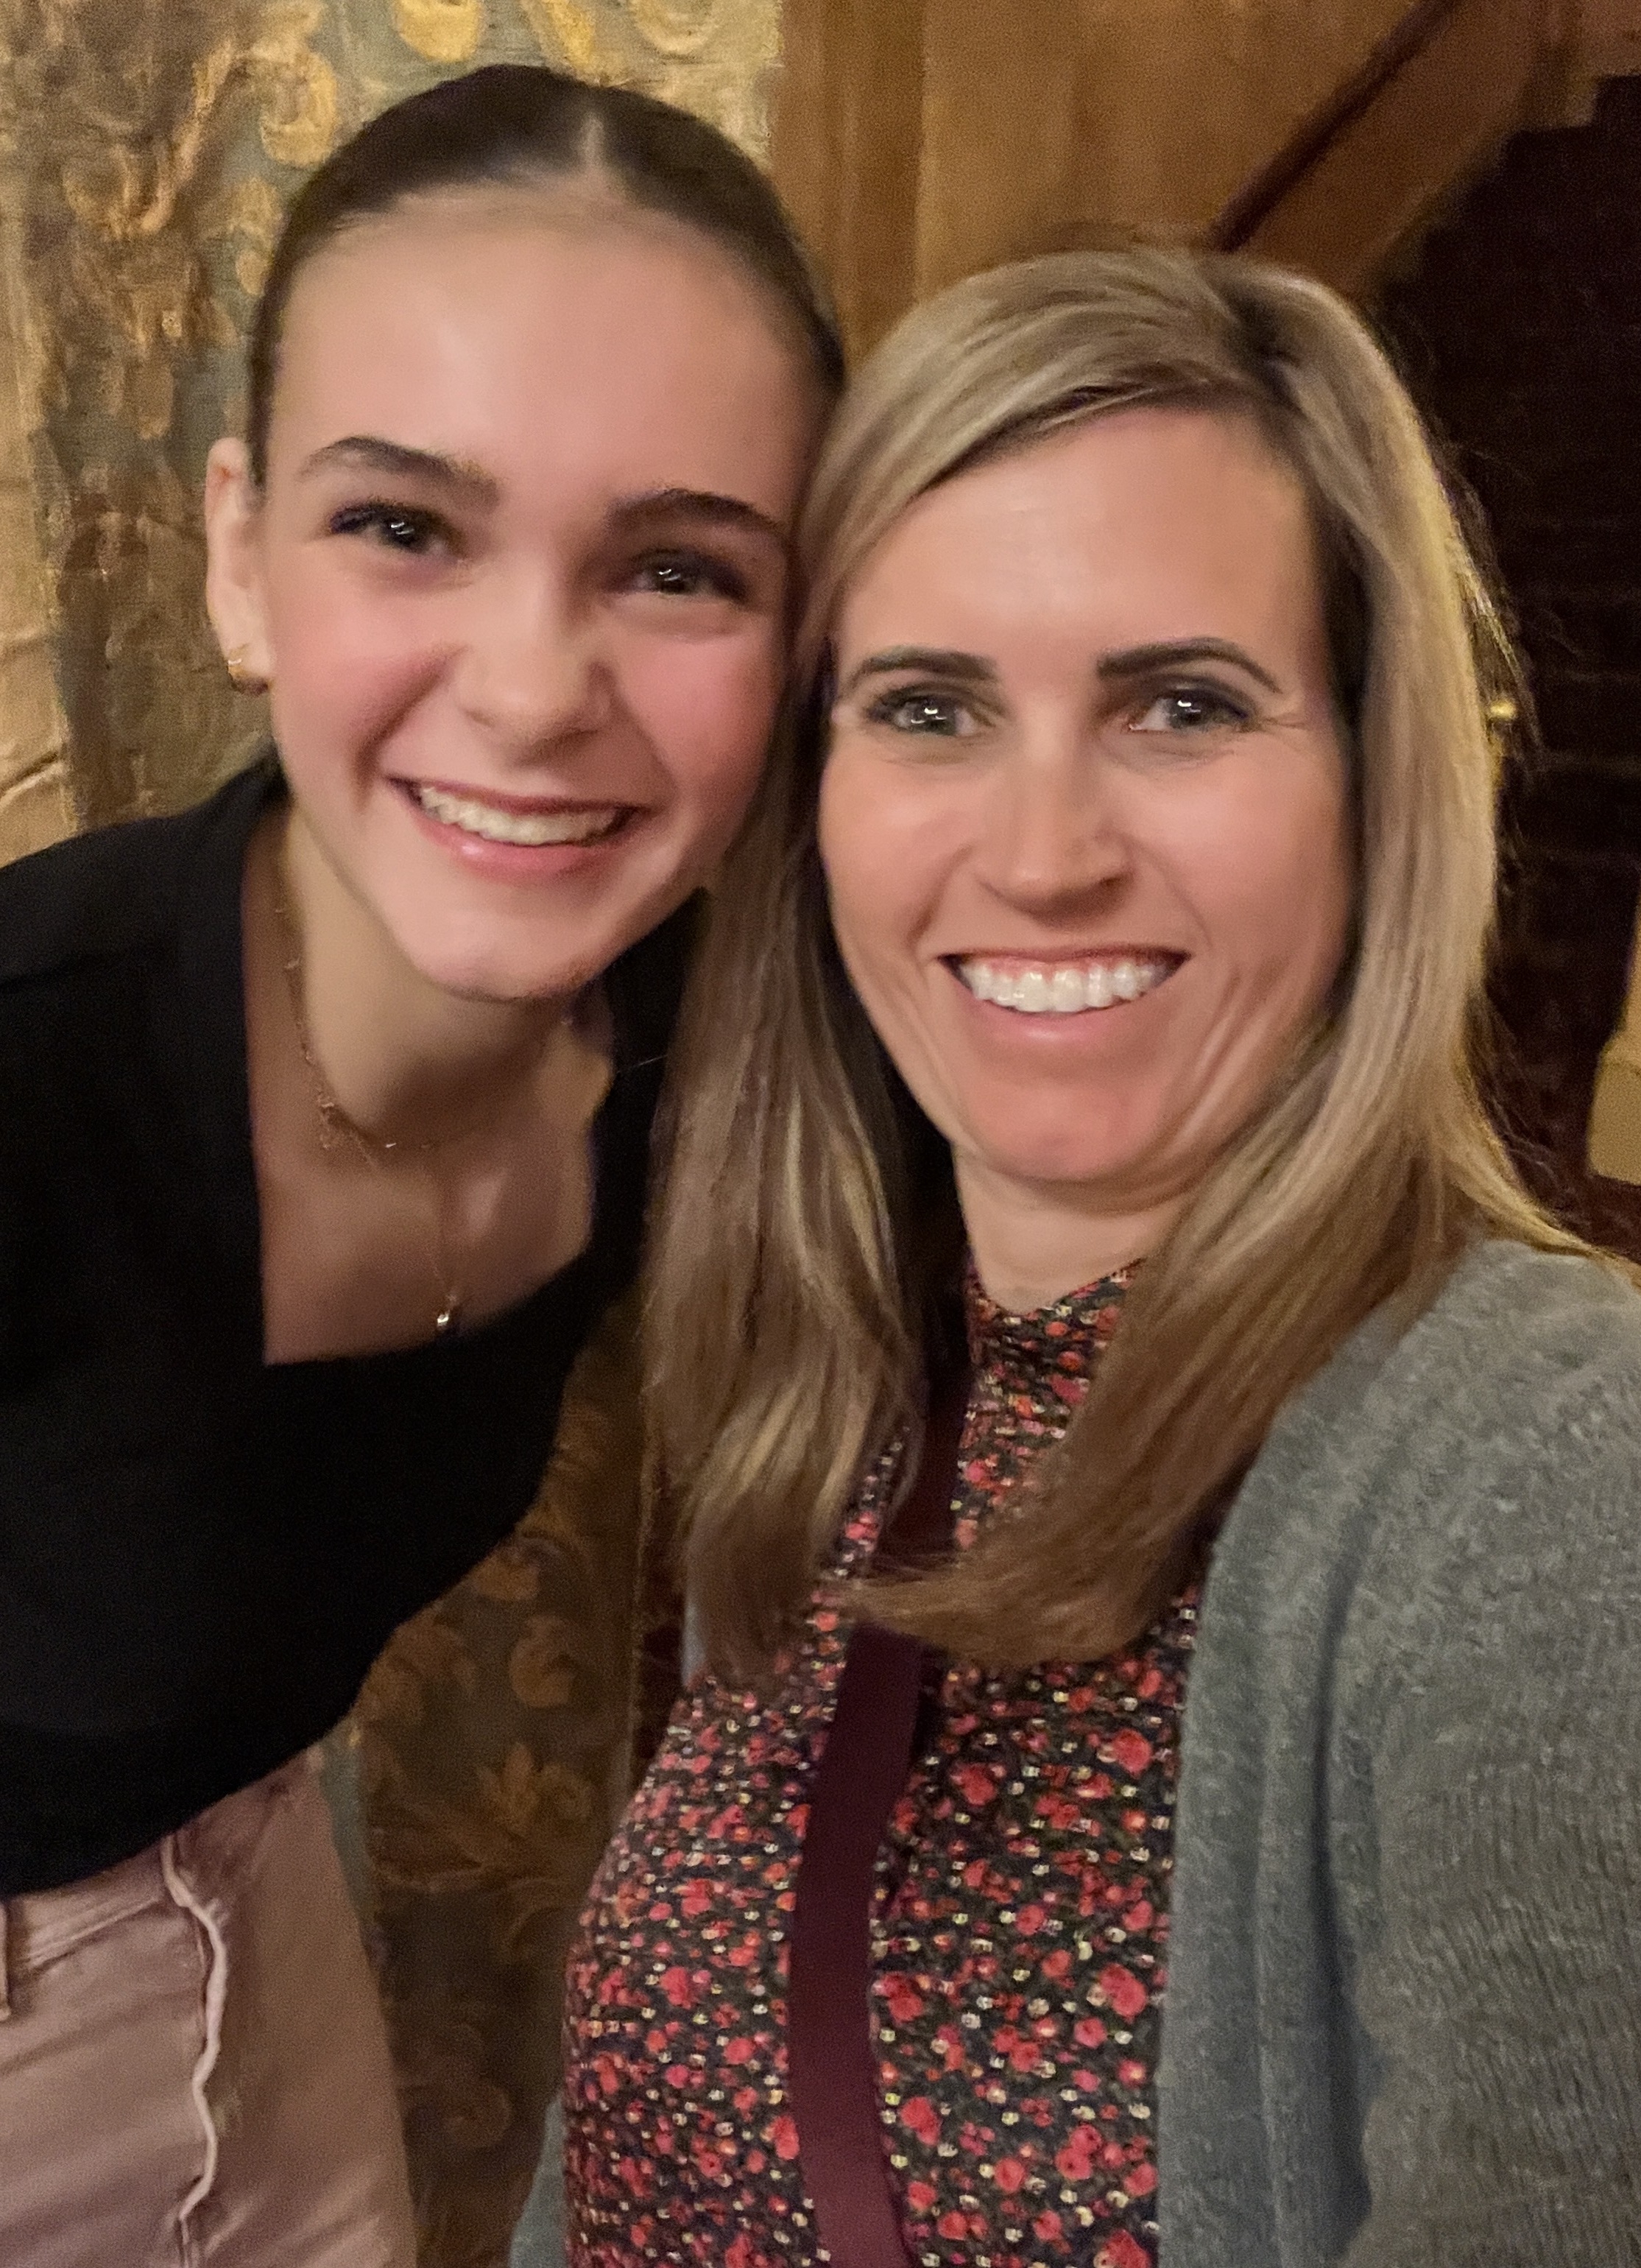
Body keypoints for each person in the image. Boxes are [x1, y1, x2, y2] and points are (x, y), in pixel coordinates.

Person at [563, 247, 1641, 2267]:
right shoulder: (845, 1372)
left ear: (1374, 781)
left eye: (1182, 705)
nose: (1043, 855)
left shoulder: (1578, 1479)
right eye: (929, 709)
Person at [0, 62, 839, 2268]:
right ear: (239, 558)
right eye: (402, 526)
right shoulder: (38, 1075)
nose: (538, 688)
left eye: (677, 568)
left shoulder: (702, 1035)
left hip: (258, 1909)